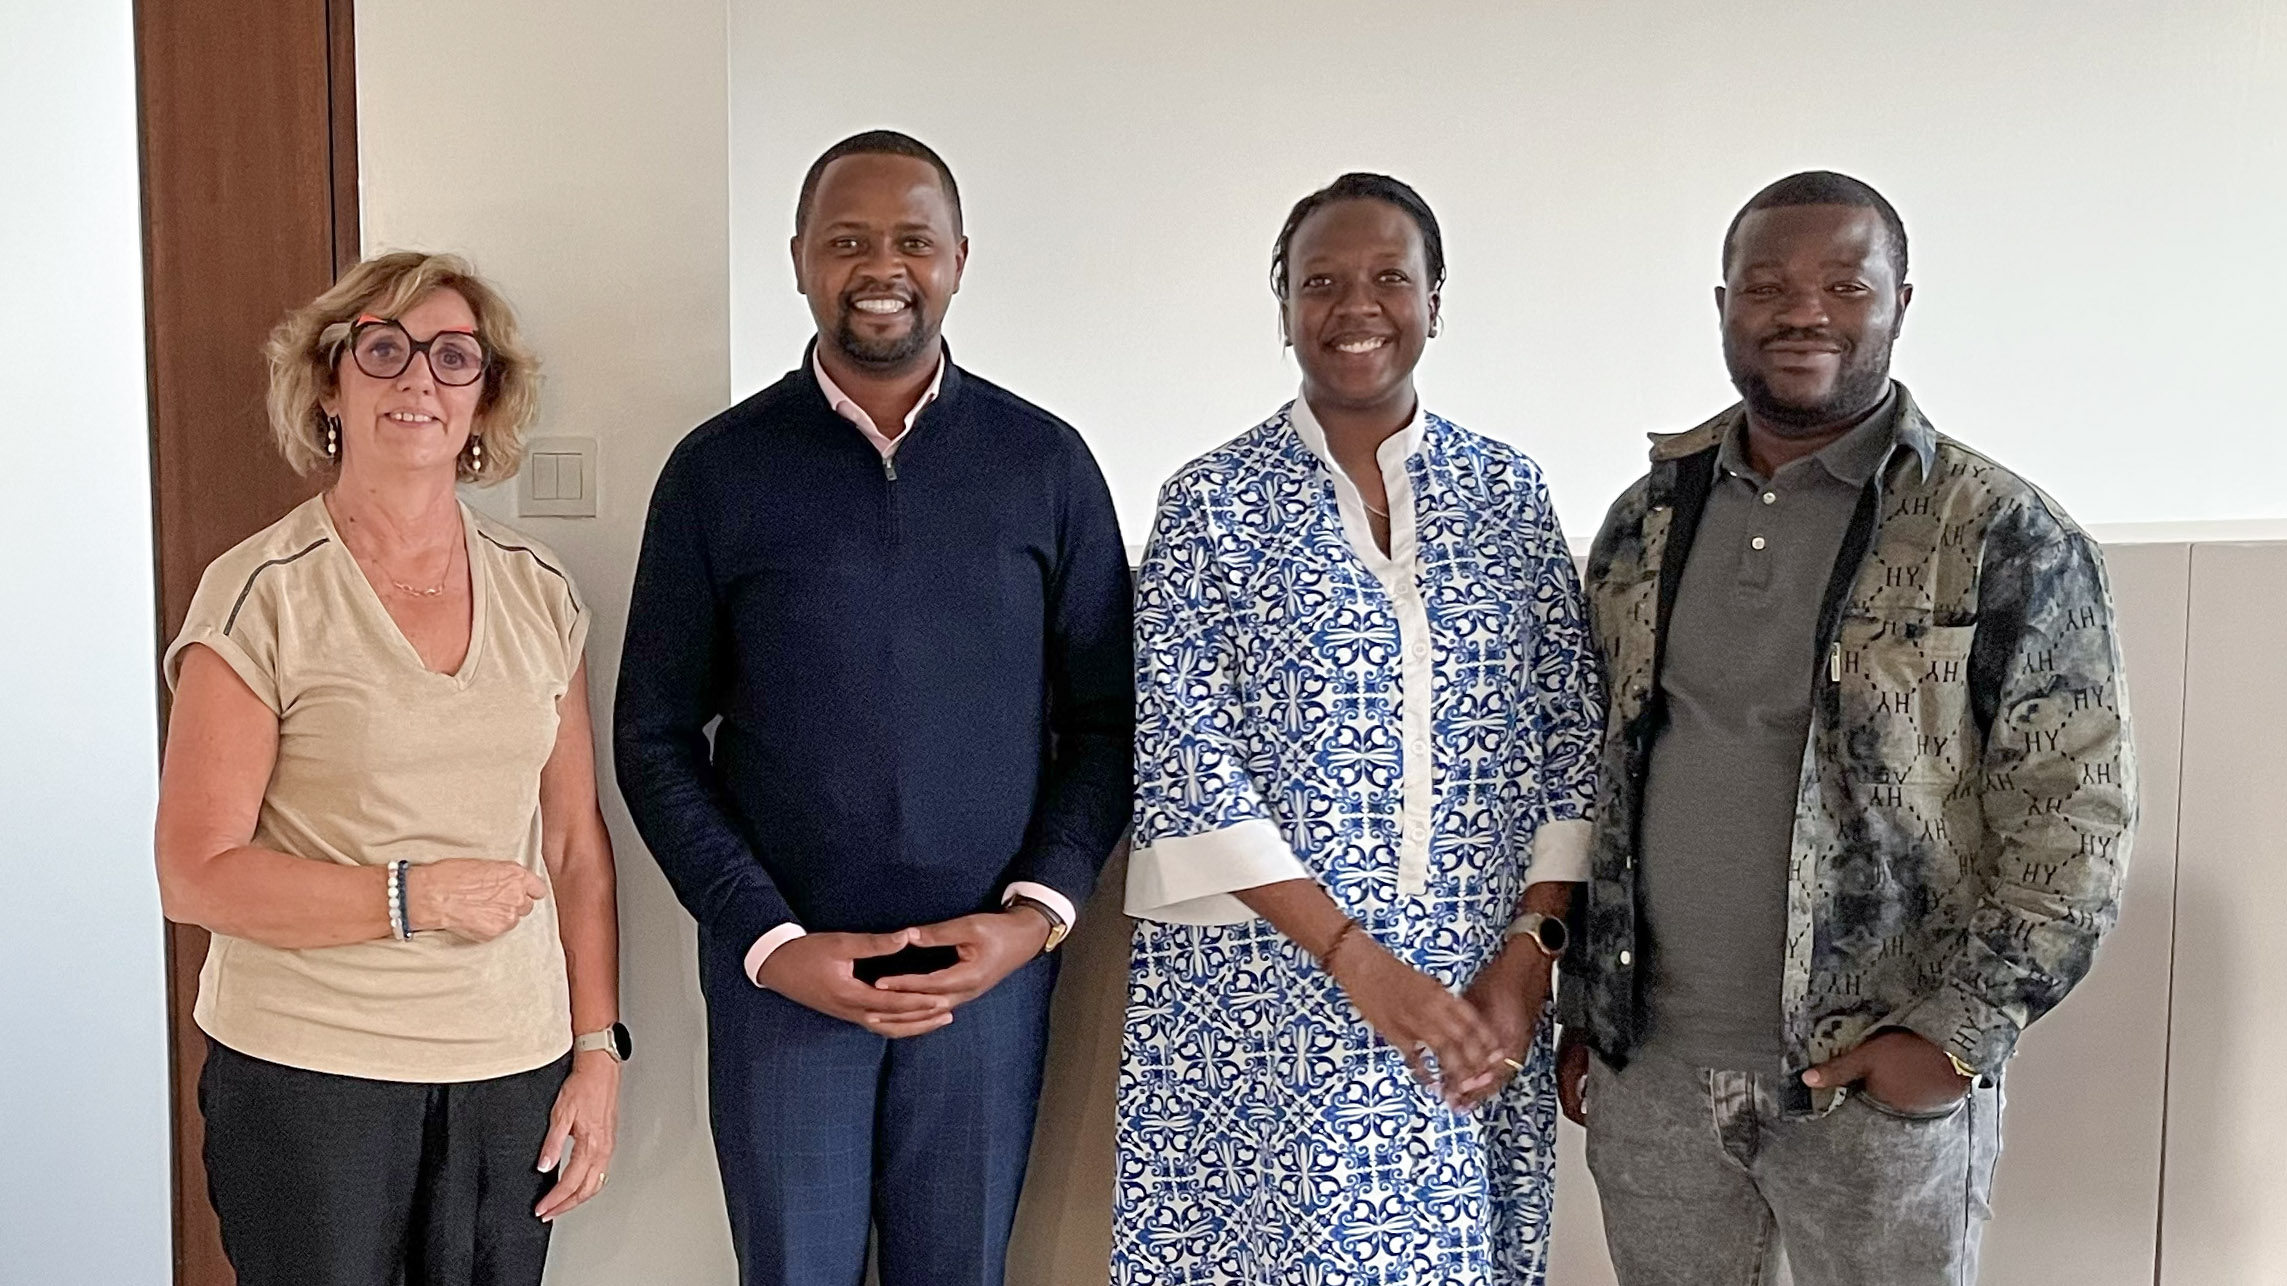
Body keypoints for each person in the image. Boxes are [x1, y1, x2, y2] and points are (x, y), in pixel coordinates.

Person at [1558, 171, 2136, 1285]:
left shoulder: (2000, 531)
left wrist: (1954, 1036)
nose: (1801, 310)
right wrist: (1592, 1002)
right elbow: (1603, 778)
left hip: (1873, 1078)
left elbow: (2077, 823)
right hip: (1659, 1077)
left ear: (1900, 301)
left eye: (1842, 283)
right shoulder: (1646, 519)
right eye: (1766, 284)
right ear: (1722, 302)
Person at [614, 130, 1133, 1286]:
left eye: (911, 240)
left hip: (983, 980)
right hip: (788, 983)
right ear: (799, 257)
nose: (880, 266)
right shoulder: (718, 470)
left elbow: (1108, 723)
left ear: (959, 257)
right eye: (847, 240)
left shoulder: (1043, 463)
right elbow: (651, 737)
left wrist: (1032, 917)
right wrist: (768, 940)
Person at [1114, 173, 1603, 1285]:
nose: (1356, 305)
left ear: (1437, 298)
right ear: (1281, 300)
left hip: (1480, 987)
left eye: (1390, 277)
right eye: (1321, 281)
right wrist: (1359, 962)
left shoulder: (1508, 493)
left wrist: (1527, 960)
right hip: (1271, 988)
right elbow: (1186, 759)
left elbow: (1576, 734)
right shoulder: (1212, 501)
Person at [154, 251, 627, 1286]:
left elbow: (574, 843)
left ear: (483, 397)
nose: (418, 377)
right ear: (332, 384)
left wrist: (597, 1047)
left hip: (511, 1069)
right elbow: (196, 871)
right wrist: (411, 896)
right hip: (312, 1073)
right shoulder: (260, 595)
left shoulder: (542, 593)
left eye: (453, 356)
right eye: (384, 349)